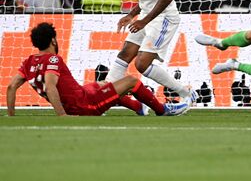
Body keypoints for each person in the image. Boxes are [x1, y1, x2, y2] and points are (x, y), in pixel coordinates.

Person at [6, 22, 190, 116]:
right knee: (132, 82)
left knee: (99, 85)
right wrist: (61, 115)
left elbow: (11, 87)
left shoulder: (28, 62)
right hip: (85, 105)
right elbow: (50, 84)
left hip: (79, 99)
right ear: (53, 40)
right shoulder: (54, 59)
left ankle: (138, 107)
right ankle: (162, 110)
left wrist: (12, 115)